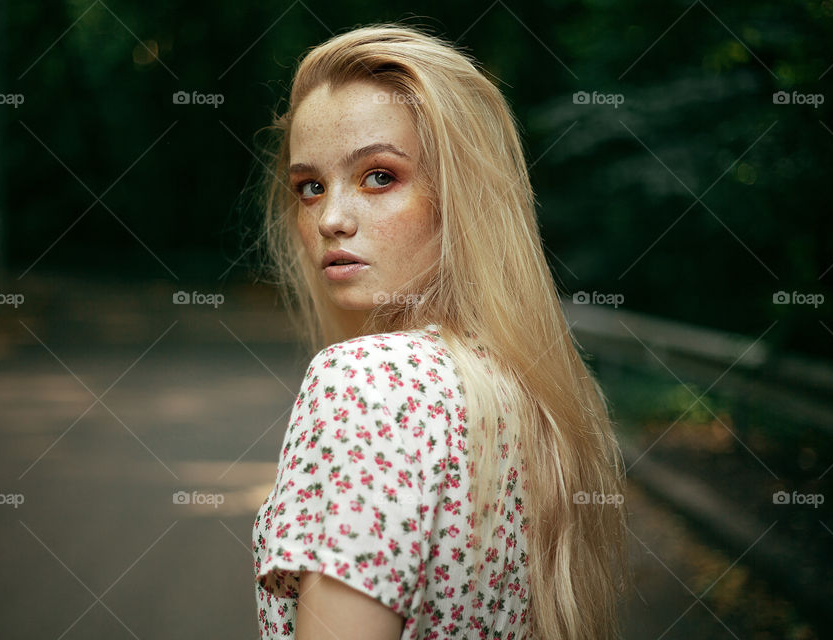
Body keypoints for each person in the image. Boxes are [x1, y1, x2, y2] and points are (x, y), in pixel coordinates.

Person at [252, 23, 629, 640]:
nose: (331, 219)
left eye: (379, 176)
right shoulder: (528, 396)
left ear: (461, 196)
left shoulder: (366, 381)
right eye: (310, 187)